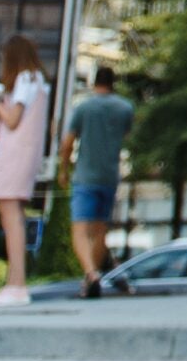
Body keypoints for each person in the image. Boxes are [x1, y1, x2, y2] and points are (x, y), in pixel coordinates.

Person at [0, 35, 49, 309]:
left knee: (11, 217)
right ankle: (16, 282)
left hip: (15, 153)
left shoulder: (24, 79)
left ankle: (16, 284)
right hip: (27, 153)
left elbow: (12, 119)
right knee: (13, 215)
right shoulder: (38, 81)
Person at [57, 64, 136, 298]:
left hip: (85, 175)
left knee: (81, 229)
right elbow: (127, 136)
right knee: (101, 229)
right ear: (114, 83)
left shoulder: (84, 108)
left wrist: (64, 168)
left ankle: (91, 273)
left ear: (94, 82)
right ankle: (94, 274)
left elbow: (68, 142)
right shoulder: (125, 108)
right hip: (109, 175)